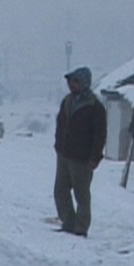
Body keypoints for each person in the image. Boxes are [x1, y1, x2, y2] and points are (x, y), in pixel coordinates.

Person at [53, 66, 107, 237]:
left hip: (82, 159)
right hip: (64, 154)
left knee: (81, 194)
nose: (71, 85)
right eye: (70, 81)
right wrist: (58, 145)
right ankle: (68, 223)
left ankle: (81, 227)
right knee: (60, 191)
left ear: (84, 83)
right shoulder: (67, 102)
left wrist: (94, 158)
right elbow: (60, 125)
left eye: (75, 81)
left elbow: (99, 135)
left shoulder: (94, 106)